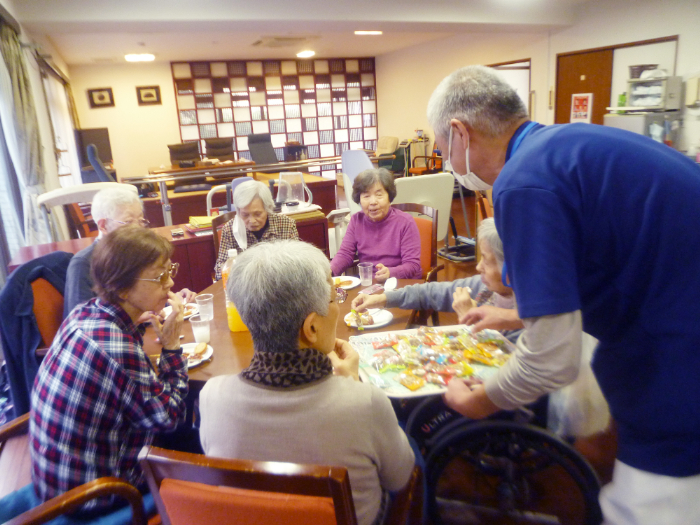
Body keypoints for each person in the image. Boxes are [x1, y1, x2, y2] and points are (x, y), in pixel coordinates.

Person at [428, 65, 700, 524]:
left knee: (648, 507)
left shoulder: (524, 181)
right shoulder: (569, 145)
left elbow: (551, 359)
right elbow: (599, 270)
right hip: (670, 326)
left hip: (676, 362)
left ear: (459, 133)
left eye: (441, 152)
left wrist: (484, 399)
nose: (447, 165)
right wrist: (515, 319)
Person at [199, 240, 415, 525]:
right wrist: (353, 384)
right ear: (312, 327)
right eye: (334, 296)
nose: (338, 304)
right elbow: (399, 479)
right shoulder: (365, 403)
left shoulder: (211, 396)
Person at [30, 226, 188, 515]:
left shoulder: (84, 313)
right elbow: (169, 418)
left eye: (170, 270)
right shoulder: (116, 346)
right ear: (122, 288)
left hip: (53, 480)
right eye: (160, 276)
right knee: (194, 436)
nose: (170, 282)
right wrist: (172, 347)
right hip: (94, 496)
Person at [352, 217, 523, 343]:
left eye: (485, 259)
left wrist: (470, 321)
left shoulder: (529, 318)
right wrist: (383, 298)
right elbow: (433, 292)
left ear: (509, 266)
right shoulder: (485, 286)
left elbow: (502, 372)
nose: (478, 267)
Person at [63, 186, 196, 317]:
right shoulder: (83, 263)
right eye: (128, 222)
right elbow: (81, 319)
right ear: (103, 226)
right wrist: (137, 317)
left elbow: (141, 298)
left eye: (141, 220)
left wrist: (171, 300)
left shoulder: (136, 252)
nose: (138, 229)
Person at [331, 168, 421, 282]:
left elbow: (412, 265)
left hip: (400, 284)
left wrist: (390, 272)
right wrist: (329, 271)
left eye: (379, 195)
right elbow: (345, 254)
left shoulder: (405, 222)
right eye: (366, 196)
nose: (373, 202)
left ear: (389, 197)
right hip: (368, 282)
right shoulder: (356, 221)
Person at [213, 180, 299, 280]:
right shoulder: (230, 229)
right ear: (238, 211)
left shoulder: (286, 225)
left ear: (268, 208)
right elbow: (220, 272)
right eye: (245, 215)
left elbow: (296, 264)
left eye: (257, 214)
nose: (252, 221)